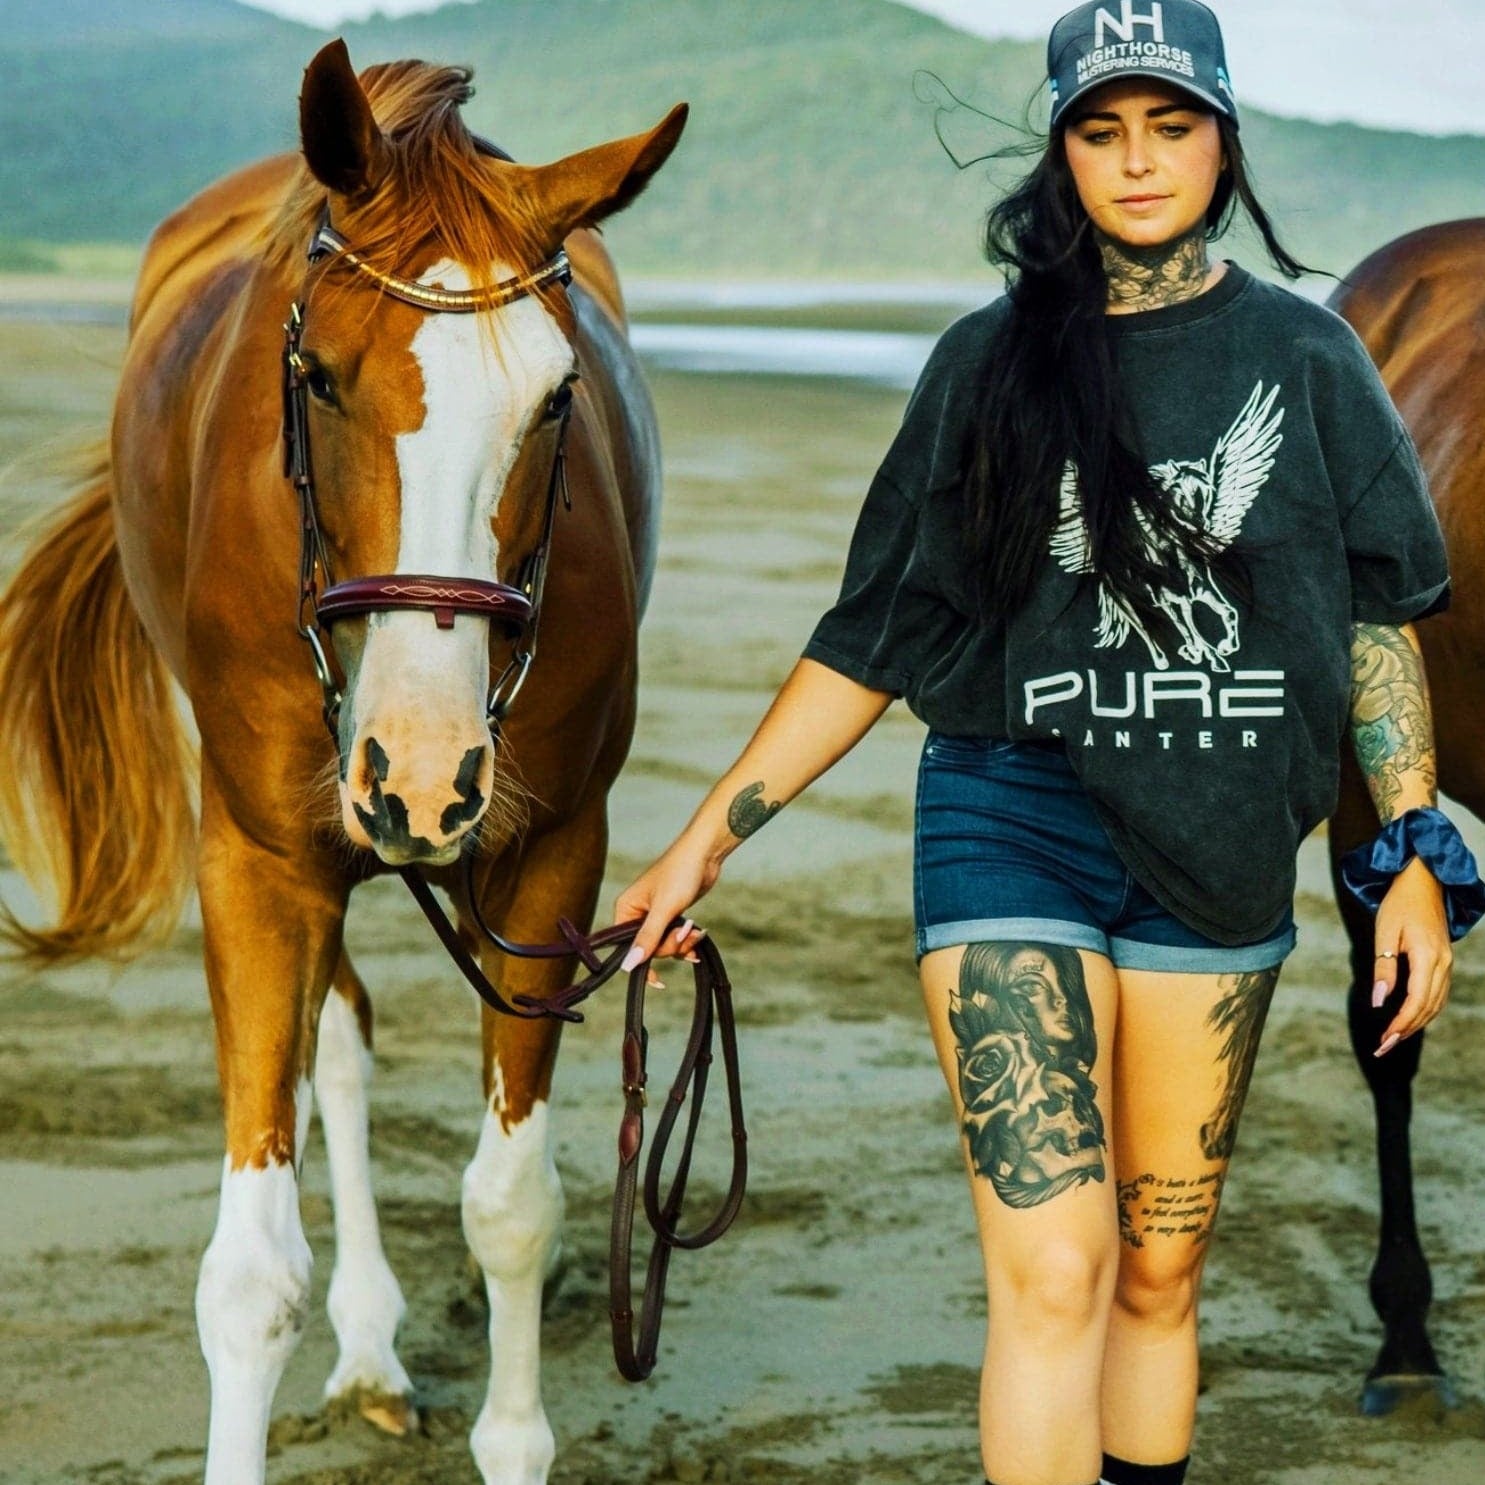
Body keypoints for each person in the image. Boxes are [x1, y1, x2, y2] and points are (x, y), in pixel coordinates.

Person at [612, 3, 1474, 1482]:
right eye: (1099, 129)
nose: (1136, 162)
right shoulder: (986, 363)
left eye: (1168, 125)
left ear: (1220, 139)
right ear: (1061, 151)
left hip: (1219, 857)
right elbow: (871, 637)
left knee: (1156, 1275)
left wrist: (1406, 846)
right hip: (1012, 817)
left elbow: (1371, 623)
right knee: (1057, 1266)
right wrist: (697, 845)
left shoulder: (1309, 358)